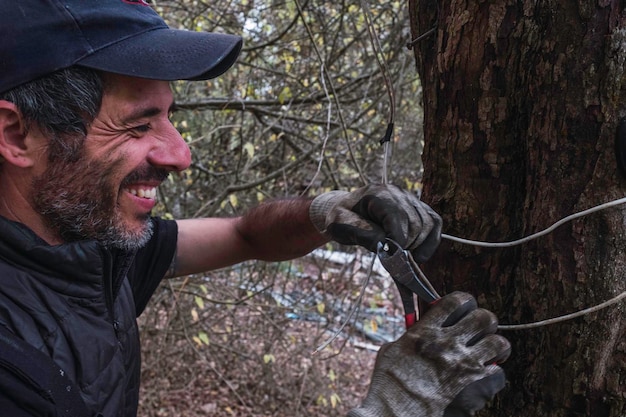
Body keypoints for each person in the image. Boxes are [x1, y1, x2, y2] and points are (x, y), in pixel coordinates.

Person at [0, 1, 511, 416]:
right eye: (137, 125)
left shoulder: (85, 243)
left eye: (169, 117)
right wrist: (398, 406)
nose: (181, 155)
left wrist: (327, 212)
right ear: (16, 135)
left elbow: (245, 235)